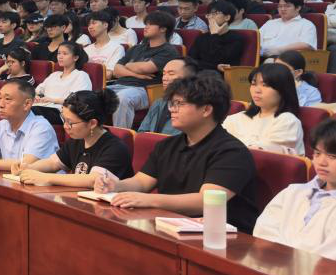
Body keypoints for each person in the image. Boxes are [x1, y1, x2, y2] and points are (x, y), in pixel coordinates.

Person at [93, 74, 260, 232]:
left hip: (220, 235)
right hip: (171, 225)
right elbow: (142, 182)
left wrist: (149, 200)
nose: (172, 110)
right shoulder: (167, 145)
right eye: (171, 104)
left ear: (206, 110)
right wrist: (115, 186)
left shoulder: (231, 152)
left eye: (179, 104)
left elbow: (205, 201)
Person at [13, 90, 134, 187]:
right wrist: (28, 168)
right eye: (64, 120)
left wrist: (46, 178)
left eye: (70, 122)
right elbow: (53, 163)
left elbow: (93, 180)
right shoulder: (77, 140)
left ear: (92, 123)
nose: (65, 126)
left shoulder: (115, 148)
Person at [253, 118, 336, 259]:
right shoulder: (292, 192)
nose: (321, 162)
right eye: (317, 153)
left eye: (332, 156)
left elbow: (329, 256)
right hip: (274, 265)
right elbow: (264, 231)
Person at [105, 11, 180, 128]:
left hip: (145, 89)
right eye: (146, 24)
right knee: (93, 95)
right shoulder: (136, 48)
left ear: (163, 29)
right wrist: (137, 75)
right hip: (120, 84)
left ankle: (121, 136)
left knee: (122, 98)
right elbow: (116, 70)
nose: (146, 27)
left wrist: (128, 65)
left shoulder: (168, 51)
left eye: (151, 24)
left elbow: (146, 68)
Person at [222, 63, 305, 156]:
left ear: (283, 90)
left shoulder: (287, 121)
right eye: (253, 84)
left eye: (265, 85)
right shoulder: (236, 118)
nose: (257, 90)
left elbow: (262, 155)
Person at [33, 42, 94, 122]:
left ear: (75, 58)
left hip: (62, 111)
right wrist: (36, 96)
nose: (60, 57)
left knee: (32, 111)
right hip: (43, 106)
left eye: (65, 54)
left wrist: (52, 100)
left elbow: (78, 101)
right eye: (59, 53)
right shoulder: (54, 75)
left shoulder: (81, 75)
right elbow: (37, 90)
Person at [138, 58, 199, 135]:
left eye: (171, 74)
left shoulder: (193, 108)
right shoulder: (158, 103)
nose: (164, 78)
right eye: (164, 74)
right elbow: (141, 132)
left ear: (188, 78)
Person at [188, 0, 243, 72]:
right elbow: (190, 61)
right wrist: (214, 67)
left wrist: (214, 35)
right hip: (199, 74)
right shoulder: (201, 37)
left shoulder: (236, 39)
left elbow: (218, 59)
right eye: (209, 14)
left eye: (215, 13)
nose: (210, 17)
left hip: (221, 76)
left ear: (227, 17)